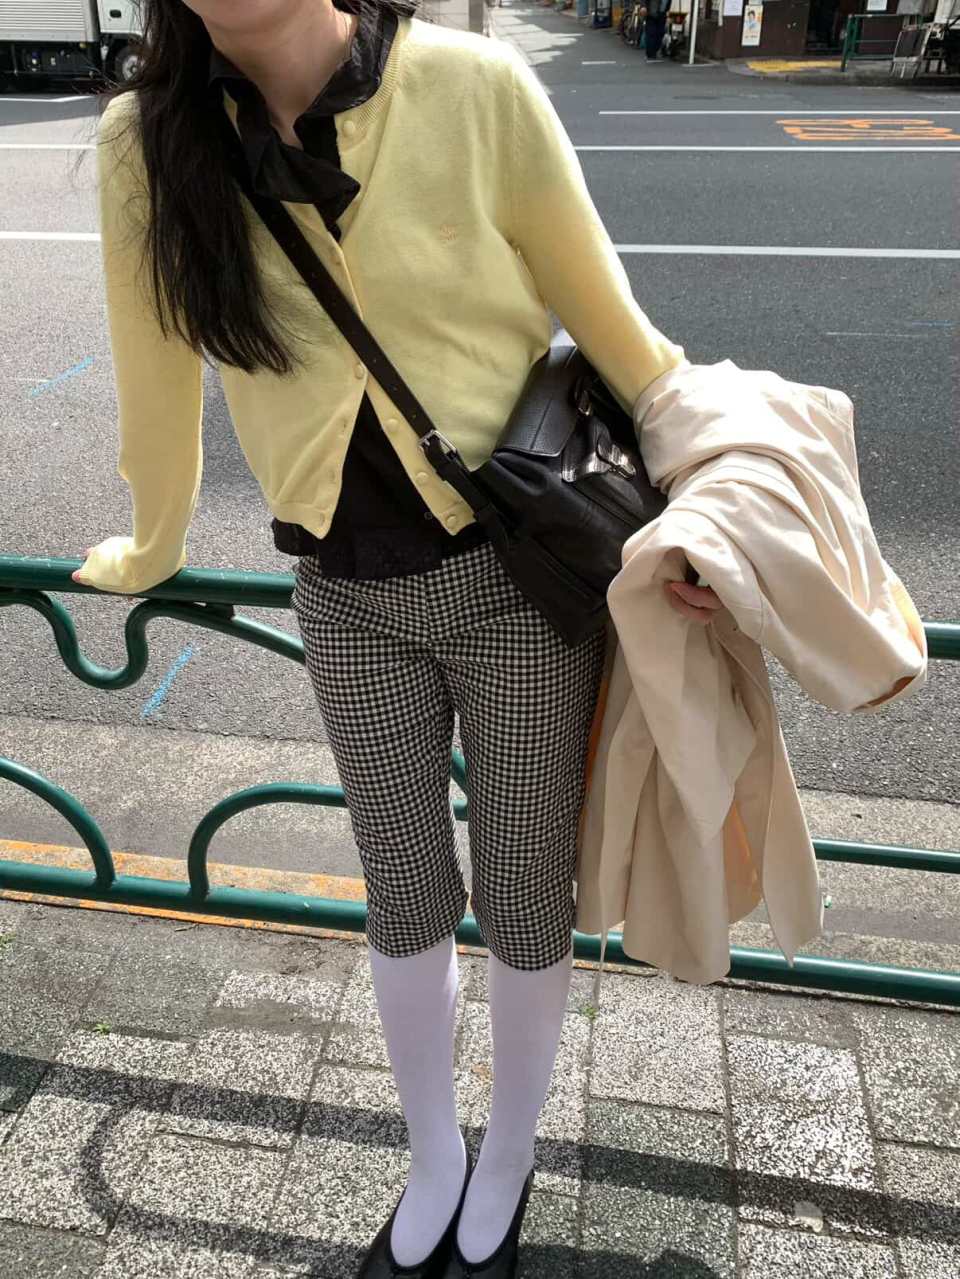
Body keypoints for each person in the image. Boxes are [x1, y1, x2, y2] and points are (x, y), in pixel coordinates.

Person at [72, 2, 721, 1275]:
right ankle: (434, 1151)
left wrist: (704, 515)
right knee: (405, 891)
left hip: (514, 586)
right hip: (344, 594)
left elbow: (625, 340)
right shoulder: (147, 141)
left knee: (525, 891)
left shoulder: (474, 87)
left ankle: (511, 1147)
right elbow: (153, 371)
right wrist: (152, 543)